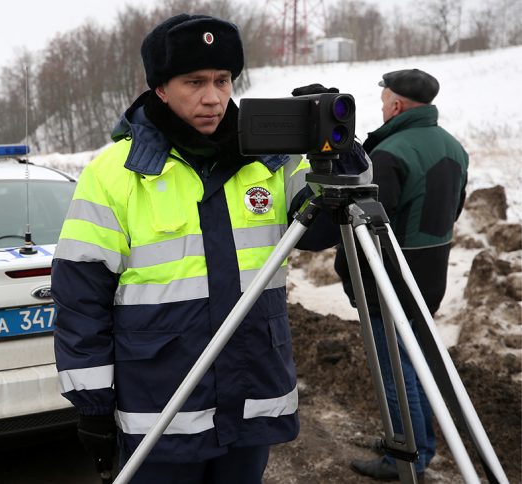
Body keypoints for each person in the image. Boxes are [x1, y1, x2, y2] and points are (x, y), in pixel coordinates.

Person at [51, 13, 369, 484]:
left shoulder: (271, 161)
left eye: (222, 80)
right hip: (161, 408)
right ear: (161, 88)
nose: (213, 97)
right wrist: (93, 404)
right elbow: (81, 297)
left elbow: (325, 229)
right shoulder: (114, 173)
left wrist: (339, 156)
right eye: (194, 82)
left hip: (250, 396)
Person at [334, 68, 469, 481]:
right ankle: (415, 440)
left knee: (395, 368)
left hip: (391, 277)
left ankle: (407, 456)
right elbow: (455, 209)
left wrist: (349, 271)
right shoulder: (454, 147)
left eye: (383, 101)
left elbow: (369, 225)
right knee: (414, 360)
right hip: (431, 275)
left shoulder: (390, 152)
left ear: (396, 105)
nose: (381, 108)